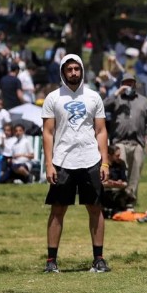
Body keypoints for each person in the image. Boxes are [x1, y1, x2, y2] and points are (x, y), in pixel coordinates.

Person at [41, 54, 111, 274]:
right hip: (62, 160)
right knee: (58, 209)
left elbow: (101, 131)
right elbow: (48, 133)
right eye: (69, 69)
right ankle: (51, 261)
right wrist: (49, 164)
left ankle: (98, 259)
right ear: (63, 71)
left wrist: (105, 162)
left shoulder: (93, 97)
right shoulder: (53, 98)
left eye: (77, 68)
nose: (73, 73)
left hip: (90, 159)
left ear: (82, 70)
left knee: (95, 208)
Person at [103, 72, 147, 206]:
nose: (128, 85)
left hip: (137, 142)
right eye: (125, 83)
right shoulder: (116, 99)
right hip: (119, 143)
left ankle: (129, 198)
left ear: (135, 84)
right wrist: (116, 93)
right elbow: (102, 106)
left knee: (135, 170)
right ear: (121, 84)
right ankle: (117, 197)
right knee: (121, 169)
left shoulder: (144, 101)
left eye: (130, 82)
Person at [101, 145, 132, 217]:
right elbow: (100, 182)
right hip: (106, 188)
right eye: (117, 155)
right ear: (109, 156)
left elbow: (125, 182)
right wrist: (109, 183)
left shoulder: (121, 163)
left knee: (128, 191)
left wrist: (120, 183)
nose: (119, 157)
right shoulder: (102, 165)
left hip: (118, 188)